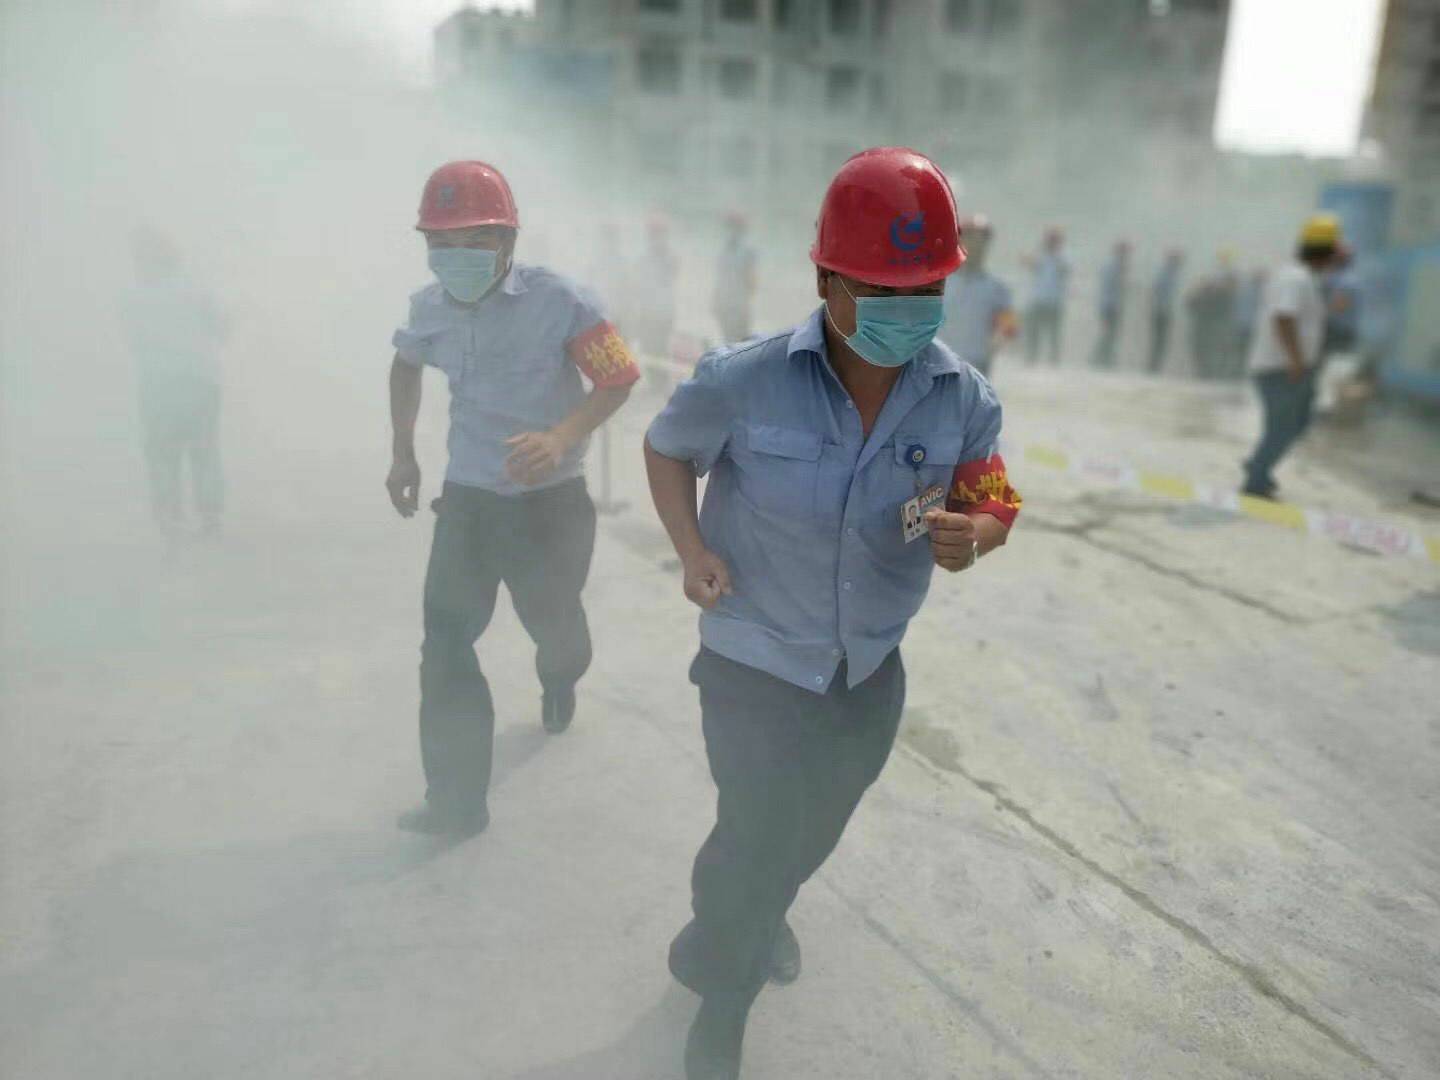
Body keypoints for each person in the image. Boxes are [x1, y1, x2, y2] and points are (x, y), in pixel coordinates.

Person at [644, 148, 1022, 1080]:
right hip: (754, 661)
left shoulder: (963, 396)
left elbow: (996, 495)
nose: (908, 307)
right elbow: (667, 447)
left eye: (925, 288)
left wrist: (976, 534)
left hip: (866, 671)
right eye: (883, 288)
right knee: (757, 832)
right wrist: (692, 550)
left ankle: (736, 922)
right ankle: (723, 1002)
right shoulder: (743, 378)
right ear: (826, 281)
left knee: (804, 835)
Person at [386, 161, 641, 837]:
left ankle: (560, 677)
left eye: (472, 240)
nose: (455, 255)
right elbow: (405, 366)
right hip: (468, 502)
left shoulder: (563, 301)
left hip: (549, 505)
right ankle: (456, 802)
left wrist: (560, 437)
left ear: (506, 240)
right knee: (445, 642)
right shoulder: (428, 307)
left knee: (554, 627)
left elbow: (618, 378)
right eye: (441, 242)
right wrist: (404, 451)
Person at [125, 225, 228, 541]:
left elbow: (132, 338)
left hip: (158, 383)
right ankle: (210, 518)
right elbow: (221, 328)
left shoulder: (134, 296)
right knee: (204, 450)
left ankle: (169, 518)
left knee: (162, 452)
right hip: (200, 381)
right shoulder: (196, 288)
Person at [1241, 213, 1346, 498]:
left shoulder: (1303, 278)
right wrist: (1296, 360)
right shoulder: (1296, 279)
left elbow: (1303, 319)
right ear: (1323, 253)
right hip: (1281, 367)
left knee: (1297, 422)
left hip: (1290, 366)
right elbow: (1284, 318)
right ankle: (1256, 481)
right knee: (1283, 426)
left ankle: (1258, 464)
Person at [937, 213, 1017, 377]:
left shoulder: (997, 288)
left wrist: (991, 350)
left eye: (981, 239)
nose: (976, 244)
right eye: (970, 237)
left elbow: (1009, 328)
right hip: (937, 362)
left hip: (976, 365)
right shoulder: (937, 281)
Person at [631, 214, 680, 358]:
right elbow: (637, 285)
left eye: (657, 233)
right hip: (647, 313)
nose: (654, 238)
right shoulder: (643, 258)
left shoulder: (670, 258)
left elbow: (668, 277)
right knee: (647, 351)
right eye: (652, 234)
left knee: (661, 351)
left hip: (663, 314)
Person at [1022, 225, 1069, 364]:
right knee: (1035, 331)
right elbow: (1027, 262)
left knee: (1053, 333)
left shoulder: (1062, 258)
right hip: (1039, 299)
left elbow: (1065, 270)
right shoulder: (1041, 256)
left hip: (1054, 301)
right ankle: (1032, 357)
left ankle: (1053, 359)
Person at [712, 210, 759, 343]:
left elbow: (752, 280)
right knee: (728, 340)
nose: (731, 230)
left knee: (740, 343)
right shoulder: (724, 249)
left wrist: (744, 303)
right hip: (725, 304)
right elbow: (720, 278)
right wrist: (716, 300)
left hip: (739, 304)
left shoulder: (748, 250)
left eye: (733, 226)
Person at [1089, 240, 1130, 369]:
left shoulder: (1117, 266)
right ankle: (1099, 358)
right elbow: (1111, 286)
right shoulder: (1113, 266)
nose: (1125, 255)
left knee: (1111, 333)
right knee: (1108, 333)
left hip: (1112, 305)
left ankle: (1104, 358)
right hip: (1108, 305)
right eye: (1124, 252)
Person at [1147, 248, 1184, 374]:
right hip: (1161, 311)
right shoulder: (1166, 273)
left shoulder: (1170, 274)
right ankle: (1153, 366)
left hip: (1163, 310)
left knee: (1161, 340)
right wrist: (1161, 307)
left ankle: (1155, 366)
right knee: (1159, 340)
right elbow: (1156, 290)